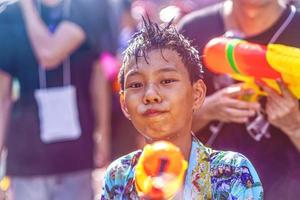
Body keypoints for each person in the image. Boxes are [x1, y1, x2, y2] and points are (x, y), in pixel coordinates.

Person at [101, 18, 263, 199]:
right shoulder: (118, 176)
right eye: (136, 84)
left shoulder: (232, 172)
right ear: (124, 104)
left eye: (167, 81)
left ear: (197, 94)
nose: (150, 95)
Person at [178, 0, 300, 199]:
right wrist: (207, 110)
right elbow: (157, 131)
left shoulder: (296, 29)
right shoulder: (193, 29)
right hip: (201, 190)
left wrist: (295, 126)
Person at [0, 0, 111, 199]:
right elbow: (3, 97)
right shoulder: (9, 15)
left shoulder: (87, 7)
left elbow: (50, 54)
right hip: (26, 157)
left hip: (76, 154)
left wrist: (103, 133)